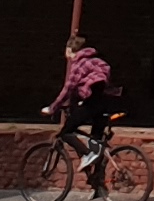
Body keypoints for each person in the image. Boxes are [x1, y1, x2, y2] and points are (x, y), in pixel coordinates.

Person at [44, 35, 116, 177]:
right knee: (96, 141)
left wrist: (54, 106)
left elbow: (68, 88)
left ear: (69, 49)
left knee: (66, 132)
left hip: (93, 102)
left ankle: (86, 155)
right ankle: (98, 183)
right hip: (106, 102)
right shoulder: (96, 61)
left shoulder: (79, 64)